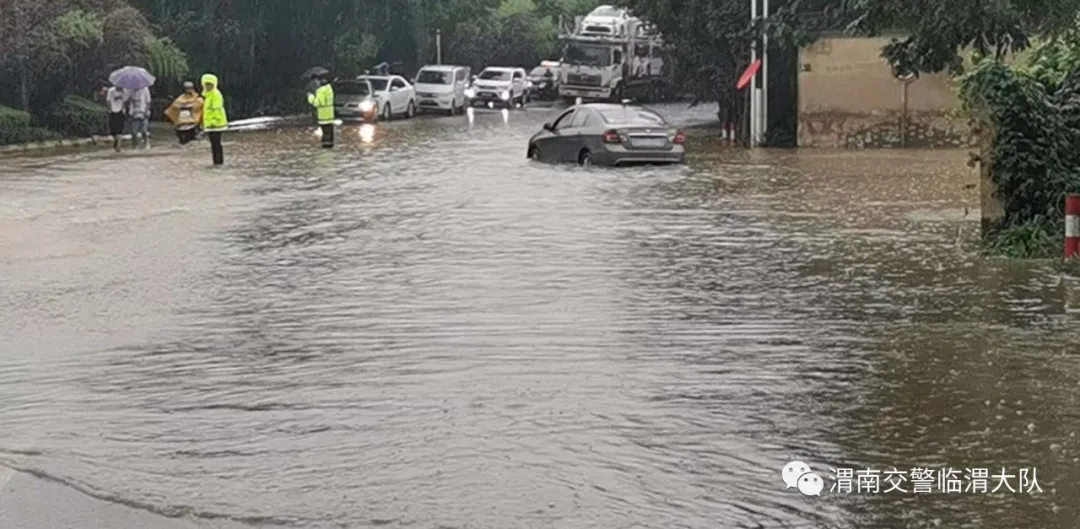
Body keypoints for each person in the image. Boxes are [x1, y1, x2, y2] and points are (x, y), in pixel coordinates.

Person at [200, 73, 228, 165]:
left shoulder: (216, 94)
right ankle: (216, 161)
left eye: (210, 84)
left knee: (216, 144)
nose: (208, 86)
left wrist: (213, 122)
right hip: (210, 125)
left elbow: (216, 110)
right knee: (214, 145)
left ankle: (218, 162)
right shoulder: (208, 95)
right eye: (206, 84)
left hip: (216, 124)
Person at [307, 74, 335, 148]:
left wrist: (311, 97)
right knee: (330, 134)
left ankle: (325, 149)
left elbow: (319, 103)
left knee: (325, 134)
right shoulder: (329, 89)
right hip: (330, 116)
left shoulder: (320, 91)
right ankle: (330, 148)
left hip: (323, 117)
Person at [104, 83, 127, 151]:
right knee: (113, 130)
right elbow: (108, 101)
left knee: (119, 130)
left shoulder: (124, 91)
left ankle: (118, 146)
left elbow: (125, 102)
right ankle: (117, 142)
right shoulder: (111, 90)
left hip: (120, 112)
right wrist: (110, 109)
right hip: (113, 112)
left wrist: (124, 110)